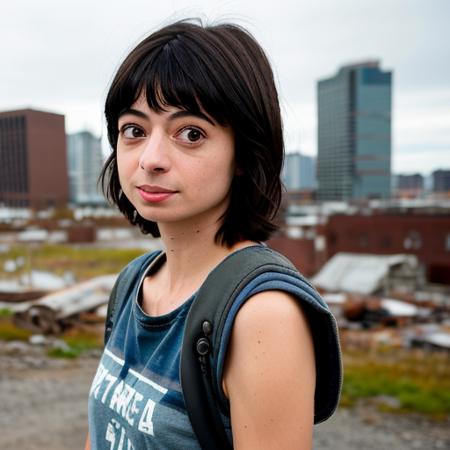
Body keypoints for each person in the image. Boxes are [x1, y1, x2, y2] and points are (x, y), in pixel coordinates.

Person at [86, 19, 341, 450]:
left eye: (190, 134)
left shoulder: (262, 315)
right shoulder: (134, 282)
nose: (151, 158)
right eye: (135, 130)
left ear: (243, 152)